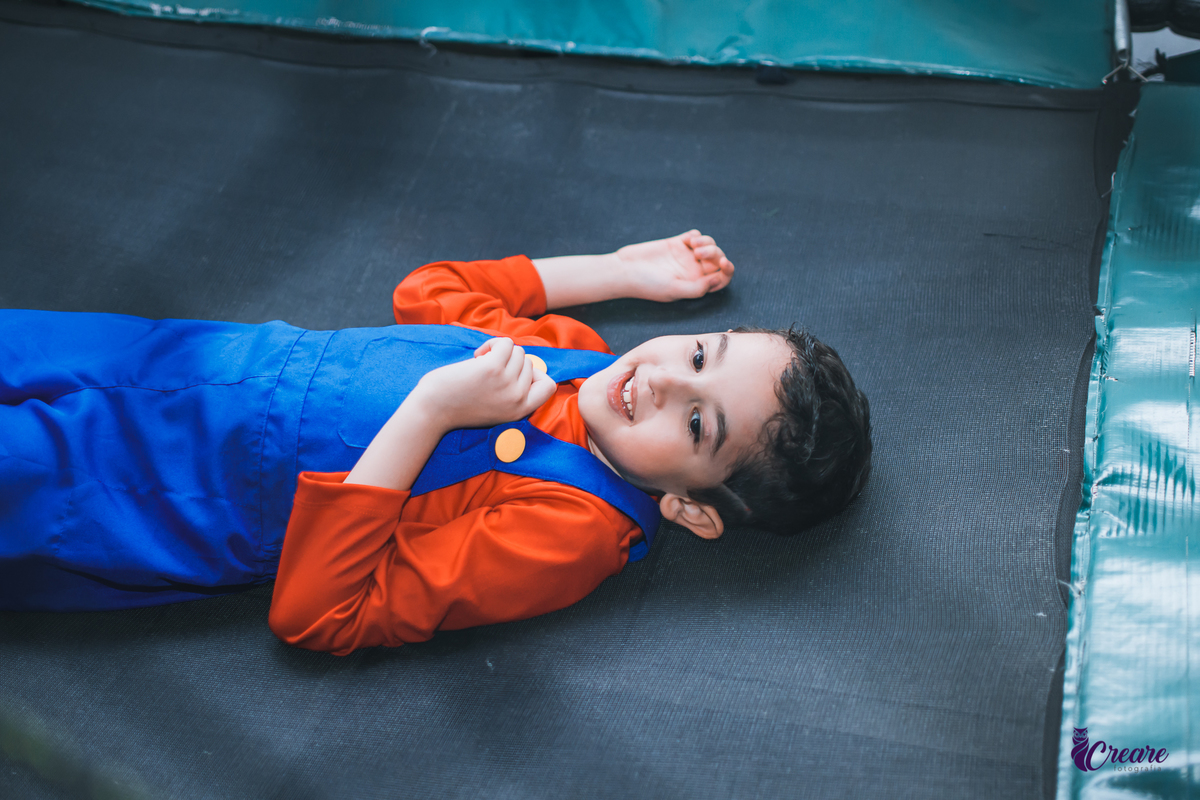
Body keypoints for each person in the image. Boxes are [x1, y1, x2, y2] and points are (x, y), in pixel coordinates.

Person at [0, 232, 871, 655]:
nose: (667, 380)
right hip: (200, 359)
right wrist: (618, 272)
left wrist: (430, 411)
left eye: (695, 423)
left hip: (174, 485)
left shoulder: (569, 531)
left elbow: (314, 614)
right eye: (698, 353)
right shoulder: (577, 356)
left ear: (688, 508)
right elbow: (430, 292)